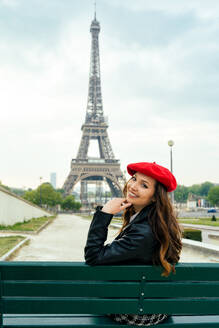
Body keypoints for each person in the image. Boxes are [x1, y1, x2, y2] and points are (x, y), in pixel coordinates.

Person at [84, 161, 182, 326]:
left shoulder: (144, 233)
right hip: (153, 305)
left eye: (144, 185)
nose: (133, 186)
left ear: (155, 198)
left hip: (138, 312)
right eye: (134, 179)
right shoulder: (155, 222)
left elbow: (93, 256)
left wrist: (104, 213)